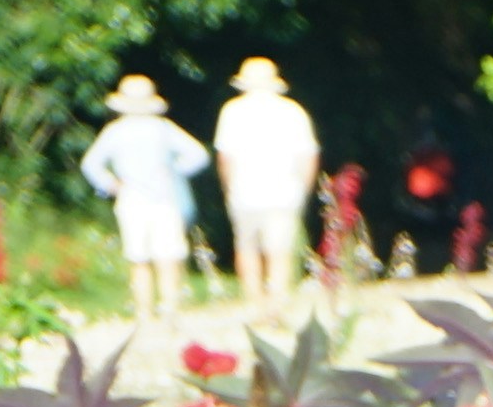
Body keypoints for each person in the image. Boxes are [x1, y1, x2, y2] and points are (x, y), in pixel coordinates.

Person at [82, 77, 211, 329]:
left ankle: (144, 312)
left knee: (138, 257)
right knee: (168, 255)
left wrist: (111, 185)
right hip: (165, 196)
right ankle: (170, 309)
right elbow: (198, 155)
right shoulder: (162, 128)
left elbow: (91, 164)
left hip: (131, 198)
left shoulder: (115, 131)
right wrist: (175, 170)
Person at [213, 58, 320, 308]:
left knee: (247, 246)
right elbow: (308, 155)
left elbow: (225, 157)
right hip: (285, 191)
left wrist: (228, 188)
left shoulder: (232, 111)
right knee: (280, 248)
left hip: (244, 190)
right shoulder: (293, 111)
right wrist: (303, 189)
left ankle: (254, 301)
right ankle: (278, 300)